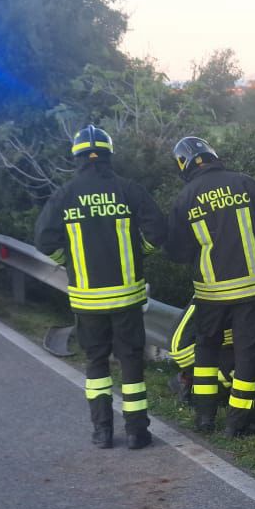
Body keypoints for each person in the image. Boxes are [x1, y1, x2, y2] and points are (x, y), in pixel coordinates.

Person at [33, 125, 167, 450]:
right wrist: (139, 254)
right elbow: (157, 232)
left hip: (87, 300)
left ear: (77, 157)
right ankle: (137, 432)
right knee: (131, 360)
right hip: (127, 298)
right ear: (109, 155)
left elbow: (42, 240)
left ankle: (102, 431)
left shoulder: (65, 194)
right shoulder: (128, 189)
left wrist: (70, 261)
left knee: (96, 364)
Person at [165, 136, 255, 436]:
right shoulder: (245, 183)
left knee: (206, 351)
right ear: (212, 155)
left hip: (211, 292)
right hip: (252, 288)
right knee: (246, 355)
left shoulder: (185, 198)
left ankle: (204, 418)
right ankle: (237, 424)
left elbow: (175, 252)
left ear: (183, 164)